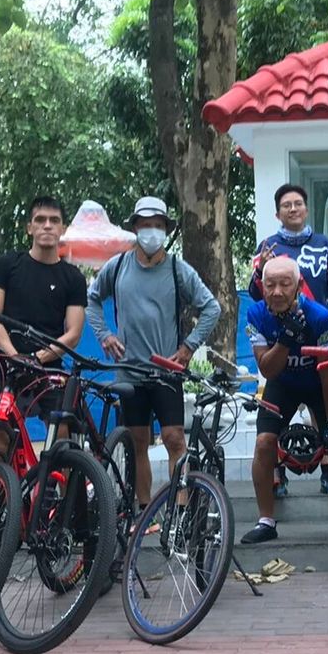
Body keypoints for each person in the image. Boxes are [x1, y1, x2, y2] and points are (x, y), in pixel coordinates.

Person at [86, 196, 222, 506]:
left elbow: (211, 308)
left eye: (158, 225)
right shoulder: (117, 266)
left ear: (166, 230)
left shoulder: (178, 269)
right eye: (145, 225)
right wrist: (104, 335)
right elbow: (92, 299)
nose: (151, 231)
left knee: (175, 439)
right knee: (137, 443)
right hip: (129, 371)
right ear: (135, 228)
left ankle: (180, 510)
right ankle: (144, 510)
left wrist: (189, 347)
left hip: (166, 371)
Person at [240, 256, 328, 546]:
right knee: (263, 443)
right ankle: (266, 521)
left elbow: (327, 372)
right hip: (283, 382)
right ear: (262, 287)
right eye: (270, 285)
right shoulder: (256, 314)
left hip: (320, 382)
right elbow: (267, 370)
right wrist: (286, 339)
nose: (276, 292)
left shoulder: (319, 317)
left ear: (299, 286)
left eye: (284, 284)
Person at [249, 182, 328, 497]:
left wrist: (314, 310)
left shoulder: (323, 243)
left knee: (322, 404)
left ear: (306, 208)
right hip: (278, 331)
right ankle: (278, 474)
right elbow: (255, 291)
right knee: (277, 404)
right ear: (278, 213)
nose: (293, 209)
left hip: (314, 328)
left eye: (298, 203)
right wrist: (261, 269)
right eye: (286, 205)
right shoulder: (267, 246)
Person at [0, 195, 89, 458]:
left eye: (54, 220)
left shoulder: (73, 278)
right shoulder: (7, 265)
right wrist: (15, 356)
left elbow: (73, 333)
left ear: (63, 228)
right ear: (29, 227)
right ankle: (2, 486)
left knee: (62, 436)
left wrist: (38, 358)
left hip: (49, 370)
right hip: (6, 367)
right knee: (1, 437)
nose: (47, 226)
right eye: (40, 220)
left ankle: (61, 485)